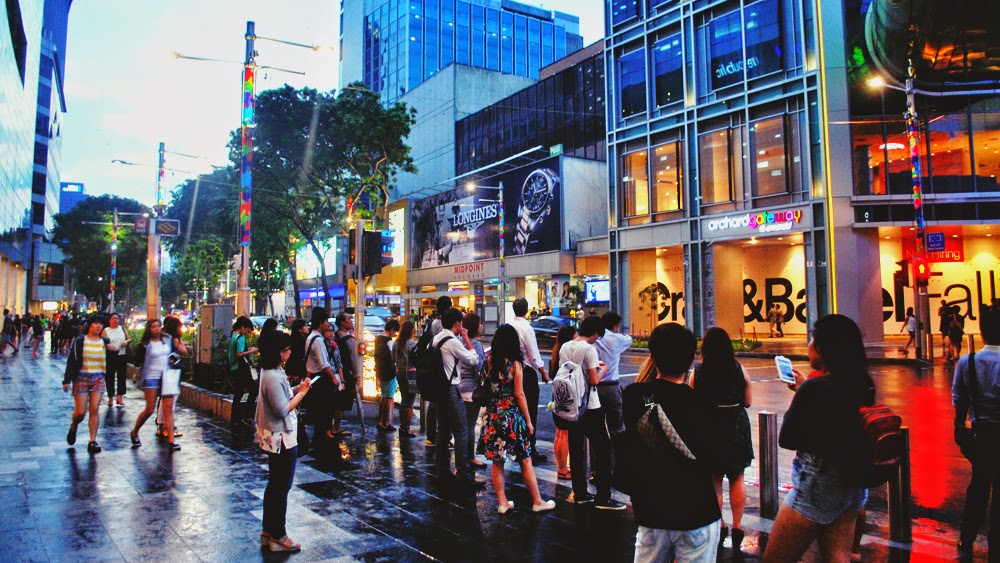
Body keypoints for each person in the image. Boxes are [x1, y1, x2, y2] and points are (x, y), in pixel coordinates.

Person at [763, 314, 875, 562]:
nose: (809, 345)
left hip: (818, 484)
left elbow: (787, 438)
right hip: (853, 483)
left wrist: (801, 392)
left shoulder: (814, 388)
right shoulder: (861, 383)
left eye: (812, 339)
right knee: (838, 556)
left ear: (823, 348)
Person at [622, 323, 723, 562]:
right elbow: (716, 462)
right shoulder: (703, 405)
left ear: (653, 358)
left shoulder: (637, 397)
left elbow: (650, 400)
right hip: (697, 512)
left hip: (652, 512)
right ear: (691, 359)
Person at [479, 324, 556, 513]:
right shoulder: (515, 365)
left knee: (497, 461)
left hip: (493, 416)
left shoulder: (488, 362)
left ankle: (502, 502)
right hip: (512, 417)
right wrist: (528, 421)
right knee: (525, 459)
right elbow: (519, 394)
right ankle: (537, 501)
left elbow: (483, 384)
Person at [691, 327, 754, 551]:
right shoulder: (739, 370)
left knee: (715, 479)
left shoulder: (699, 372)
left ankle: (720, 523)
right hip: (736, 425)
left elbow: (692, 401)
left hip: (710, 426)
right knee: (737, 477)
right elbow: (748, 402)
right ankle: (737, 524)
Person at [559, 315, 624, 510]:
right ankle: (603, 497)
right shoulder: (589, 349)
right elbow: (594, 380)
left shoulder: (565, 347)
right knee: (603, 449)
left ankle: (580, 493)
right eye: (598, 335)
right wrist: (603, 369)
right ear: (595, 333)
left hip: (572, 405)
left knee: (576, 449)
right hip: (589, 405)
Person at [255, 330, 312, 552]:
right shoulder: (273, 375)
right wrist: (302, 394)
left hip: (276, 436)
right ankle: (279, 535)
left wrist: (297, 389)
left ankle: (268, 531)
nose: (289, 353)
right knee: (281, 487)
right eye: (287, 350)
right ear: (278, 352)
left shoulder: (272, 371)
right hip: (282, 438)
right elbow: (282, 408)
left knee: (275, 485)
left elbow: (282, 395)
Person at [953, 300, 1000, 559]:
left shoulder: (966, 362)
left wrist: (960, 426)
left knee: (978, 486)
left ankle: (967, 536)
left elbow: (959, 398)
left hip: (981, 431)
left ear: (982, 331)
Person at [433, 307, 483, 490]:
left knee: (443, 430)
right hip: (451, 389)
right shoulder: (452, 341)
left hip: (439, 389)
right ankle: (463, 474)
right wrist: (467, 338)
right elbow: (474, 359)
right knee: (461, 430)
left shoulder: (437, 338)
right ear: (457, 324)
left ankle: (442, 469)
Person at [129, 319, 180, 450]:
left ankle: (171, 440)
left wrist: (173, 357)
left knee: (168, 408)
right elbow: (137, 362)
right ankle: (135, 431)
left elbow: (175, 352)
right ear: (149, 329)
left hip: (167, 376)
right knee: (149, 409)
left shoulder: (167, 339)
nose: (157, 329)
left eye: (158, 326)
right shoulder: (145, 344)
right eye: (153, 327)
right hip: (151, 377)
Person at [508, 298, 549, 464]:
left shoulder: (508, 325)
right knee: (530, 411)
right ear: (526, 310)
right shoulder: (526, 328)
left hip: (511, 371)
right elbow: (534, 355)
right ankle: (529, 448)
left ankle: (516, 446)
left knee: (516, 411)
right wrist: (544, 373)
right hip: (526, 372)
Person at [62, 315, 110, 454]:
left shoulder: (104, 341)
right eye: (95, 323)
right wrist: (67, 380)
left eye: (101, 324)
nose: (98, 326)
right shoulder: (80, 341)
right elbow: (72, 360)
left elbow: (111, 359)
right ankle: (74, 426)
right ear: (89, 325)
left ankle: (92, 441)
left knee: (94, 409)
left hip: (98, 378)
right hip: (81, 377)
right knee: (80, 412)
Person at [594, 311, 633, 476]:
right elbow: (629, 339)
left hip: (595, 387)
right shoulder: (617, 339)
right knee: (616, 428)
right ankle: (618, 466)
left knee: (596, 430)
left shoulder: (594, 339)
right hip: (611, 387)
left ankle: (597, 469)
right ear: (615, 326)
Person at [305, 309, 341, 443]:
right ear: (320, 323)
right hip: (321, 377)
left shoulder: (311, 337)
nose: (327, 324)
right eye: (326, 321)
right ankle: (324, 434)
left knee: (320, 407)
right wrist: (333, 378)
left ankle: (321, 433)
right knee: (325, 407)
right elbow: (324, 363)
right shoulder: (318, 340)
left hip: (314, 376)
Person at [458, 313, 486, 469]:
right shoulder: (475, 344)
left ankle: (464, 456)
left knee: (462, 425)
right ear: (476, 326)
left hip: (459, 387)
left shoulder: (459, 341)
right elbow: (479, 367)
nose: (481, 326)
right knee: (469, 425)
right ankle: (470, 457)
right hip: (471, 390)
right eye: (480, 323)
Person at [549, 324, 576, 480]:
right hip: (566, 396)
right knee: (564, 433)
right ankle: (563, 469)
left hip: (556, 396)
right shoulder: (568, 355)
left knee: (559, 433)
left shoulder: (556, 353)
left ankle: (561, 467)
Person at [333, 313, 361, 437]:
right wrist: (357, 375)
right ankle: (336, 427)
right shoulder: (349, 339)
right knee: (343, 402)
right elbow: (353, 359)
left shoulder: (333, 337)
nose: (351, 321)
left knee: (336, 400)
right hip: (346, 374)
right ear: (342, 322)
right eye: (349, 319)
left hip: (334, 373)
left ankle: (332, 426)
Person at [229, 316, 259, 429]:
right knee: (253, 390)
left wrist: (248, 350)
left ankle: (235, 419)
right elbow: (239, 353)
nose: (247, 332)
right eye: (247, 330)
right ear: (242, 327)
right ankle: (247, 416)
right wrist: (252, 351)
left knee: (238, 394)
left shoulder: (233, 335)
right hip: (241, 369)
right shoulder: (240, 337)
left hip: (234, 368)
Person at [394, 320, 418, 439]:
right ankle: (406, 428)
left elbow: (392, 358)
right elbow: (416, 359)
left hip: (400, 372)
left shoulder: (396, 343)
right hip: (411, 373)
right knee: (410, 401)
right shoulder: (411, 344)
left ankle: (402, 426)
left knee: (404, 400)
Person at [375, 319, 401, 431]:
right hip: (389, 372)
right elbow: (392, 357)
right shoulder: (389, 341)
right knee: (389, 397)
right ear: (392, 329)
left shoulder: (378, 338)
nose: (395, 334)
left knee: (383, 396)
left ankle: (380, 421)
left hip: (380, 371)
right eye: (395, 331)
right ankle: (386, 422)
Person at [102, 313, 130, 407]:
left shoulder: (122, 329)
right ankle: (110, 397)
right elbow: (102, 342)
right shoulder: (106, 330)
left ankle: (119, 397)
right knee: (110, 377)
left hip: (122, 355)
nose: (115, 320)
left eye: (117, 318)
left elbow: (129, 338)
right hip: (110, 356)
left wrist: (126, 342)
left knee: (121, 376)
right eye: (113, 318)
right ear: (109, 320)